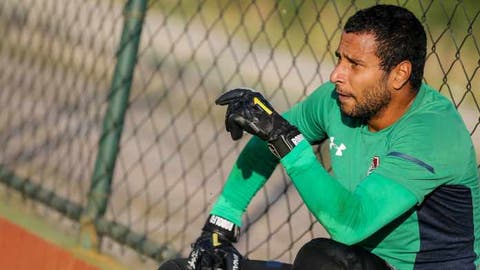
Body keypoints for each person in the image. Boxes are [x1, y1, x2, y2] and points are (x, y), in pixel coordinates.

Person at [158, 4, 480, 270]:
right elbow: (268, 139)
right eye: (340, 58)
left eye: (354, 65)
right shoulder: (338, 99)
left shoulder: (431, 130)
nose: (336, 75)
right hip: (361, 263)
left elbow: (351, 224)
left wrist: (285, 141)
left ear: (399, 74)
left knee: (321, 261)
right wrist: (221, 223)